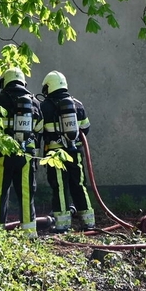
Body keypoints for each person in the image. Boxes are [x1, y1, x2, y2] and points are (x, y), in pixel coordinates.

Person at [0, 67, 41, 233]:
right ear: (24, 81)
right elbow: (38, 128)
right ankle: (29, 233)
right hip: (26, 156)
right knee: (26, 194)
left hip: (4, 155)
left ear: (5, 81)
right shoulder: (34, 102)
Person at [38, 70, 94, 232]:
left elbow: (38, 131)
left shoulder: (45, 107)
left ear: (49, 86)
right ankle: (88, 222)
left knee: (60, 187)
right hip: (76, 153)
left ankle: (62, 224)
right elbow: (86, 128)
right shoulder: (77, 104)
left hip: (55, 155)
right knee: (79, 185)